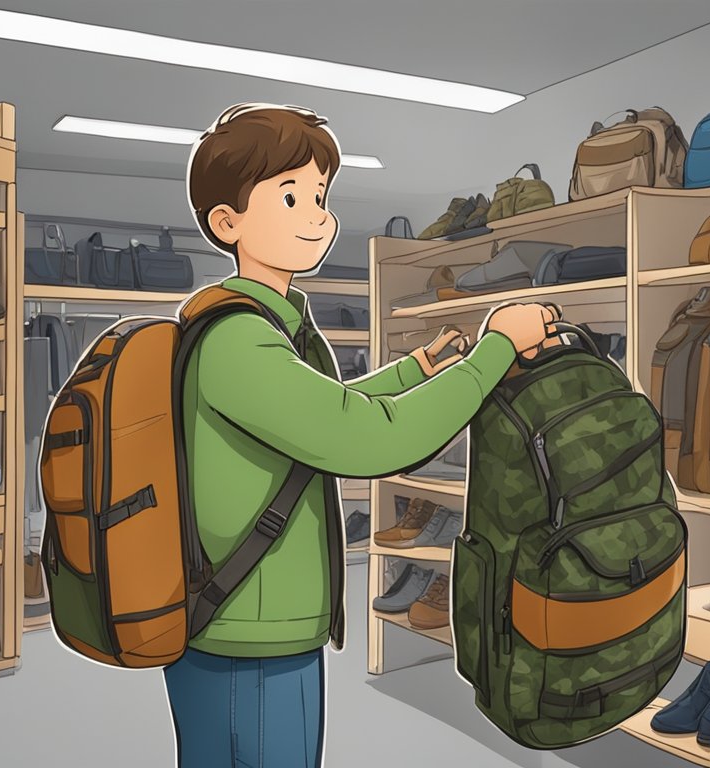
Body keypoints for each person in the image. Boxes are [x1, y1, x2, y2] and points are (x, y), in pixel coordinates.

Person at [166, 102, 556, 768]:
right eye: (289, 197)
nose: (316, 214)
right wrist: (495, 350)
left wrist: (418, 369)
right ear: (227, 223)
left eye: (318, 195)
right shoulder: (238, 341)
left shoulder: (272, 327)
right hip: (249, 634)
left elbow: (332, 409)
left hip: (248, 623)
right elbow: (370, 440)